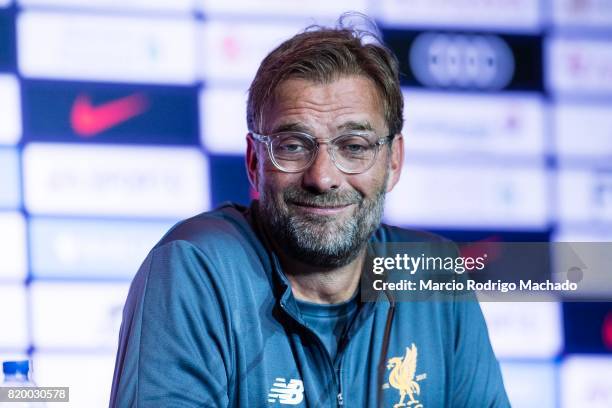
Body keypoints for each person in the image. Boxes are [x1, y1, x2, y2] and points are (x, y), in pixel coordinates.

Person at [110, 15, 510, 407]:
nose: (323, 178)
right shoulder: (196, 267)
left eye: (354, 146)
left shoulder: (433, 273)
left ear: (393, 161)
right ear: (254, 161)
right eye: (293, 145)